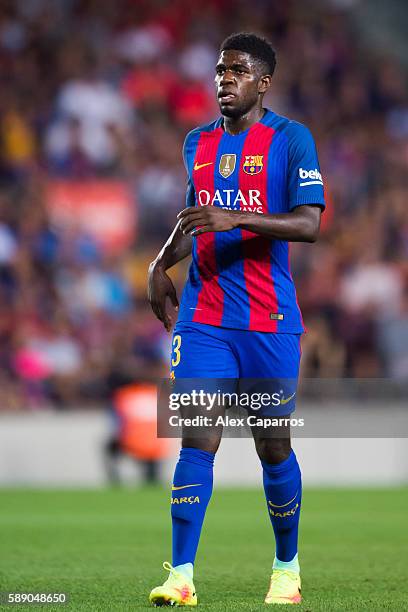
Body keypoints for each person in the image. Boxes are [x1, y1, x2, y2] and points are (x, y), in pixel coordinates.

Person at [147, 32, 325, 606]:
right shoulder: (196, 142)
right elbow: (193, 218)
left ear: (263, 82)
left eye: (238, 71)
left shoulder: (292, 140)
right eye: (220, 70)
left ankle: (286, 568)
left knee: (272, 446)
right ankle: (180, 576)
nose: (225, 79)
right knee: (196, 441)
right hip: (204, 317)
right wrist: (159, 264)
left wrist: (238, 221)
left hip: (270, 320)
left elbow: (309, 224)